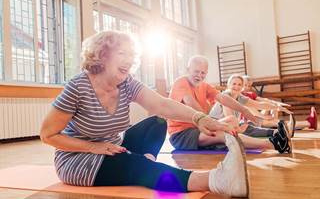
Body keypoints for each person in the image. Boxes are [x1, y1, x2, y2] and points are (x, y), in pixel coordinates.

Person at [40, 31, 254, 197]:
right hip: (78, 159)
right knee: (134, 165)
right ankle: (215, 180)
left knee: (158, 122)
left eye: (131, 55)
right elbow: (48, 135)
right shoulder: (78, 87)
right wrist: (93, 147)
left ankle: (146, 164)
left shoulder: (127, 82)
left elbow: (162, 105)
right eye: (122, 53)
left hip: (112, 146)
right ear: (102, 55)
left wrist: (200, 118)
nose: (129, 60)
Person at [168, 55, 291, 153]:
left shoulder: (204, 86)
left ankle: (219, 142)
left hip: (201, 127)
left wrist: (245, 111)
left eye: (203, 73)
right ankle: (274, 143)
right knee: (226, 134)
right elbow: (192, 105)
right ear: (188, 69)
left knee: (232, 120)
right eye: (196, 71)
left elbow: (223, 98)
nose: (199, 76)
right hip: (182, 135)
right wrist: (218, 125)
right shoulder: (181, 82)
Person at [243, 76, 318, 131]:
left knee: (271, 107)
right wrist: (264, 117)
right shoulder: (241, 96)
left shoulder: (250, 94)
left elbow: (264, 100)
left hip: (256, 117)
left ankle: (275, 124)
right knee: (268, 121)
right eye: (245, 85)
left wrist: (278, 104)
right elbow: (251, 110)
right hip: (250, 121)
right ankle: (308, 123)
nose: (247, 87)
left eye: (249, 86)